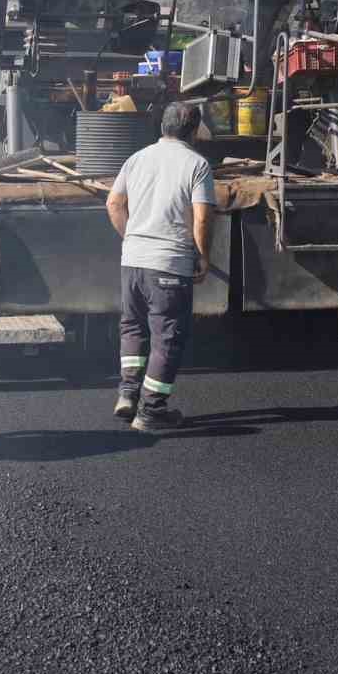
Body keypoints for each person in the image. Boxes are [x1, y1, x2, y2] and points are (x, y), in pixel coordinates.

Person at [105, 102, 215, 432]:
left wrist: (134, 237)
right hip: (169, 264)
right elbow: (202, 216)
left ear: (162, 126)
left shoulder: (136, 159)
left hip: (133, 261)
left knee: (133, 328)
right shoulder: (197, 164)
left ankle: (127, 394)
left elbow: (113, 203)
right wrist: (203, 256)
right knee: (167, 337)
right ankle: (151, 411)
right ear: (194, 130)